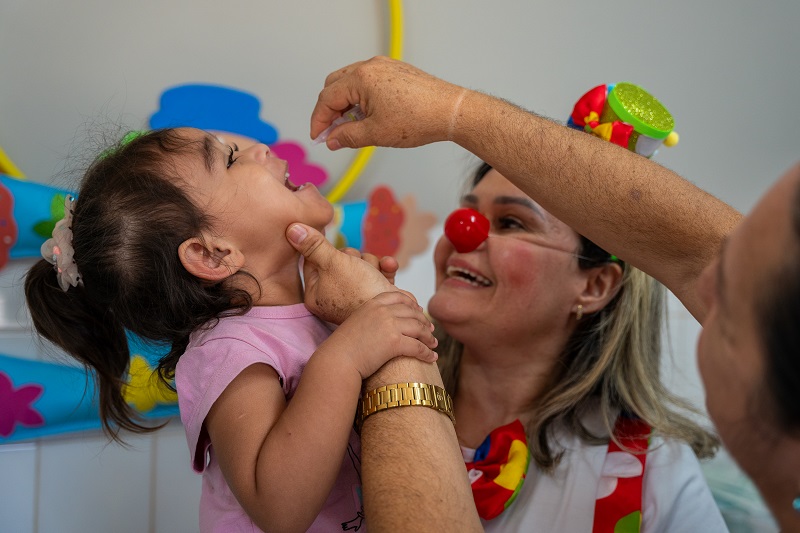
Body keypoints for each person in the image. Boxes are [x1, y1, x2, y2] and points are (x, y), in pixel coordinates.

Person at [306, 56, 800, 532]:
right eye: (470, 210)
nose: (465, 230)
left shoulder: (651, 475)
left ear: (596, 284)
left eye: (512, 223)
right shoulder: (338, 387)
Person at [23, 127, 446, 533]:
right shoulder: (227, 348)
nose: (259, 148)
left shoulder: (315, 311)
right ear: (213, 254)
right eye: (230, 159)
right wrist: (348, 354)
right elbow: (280, 508)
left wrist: (366, 318)